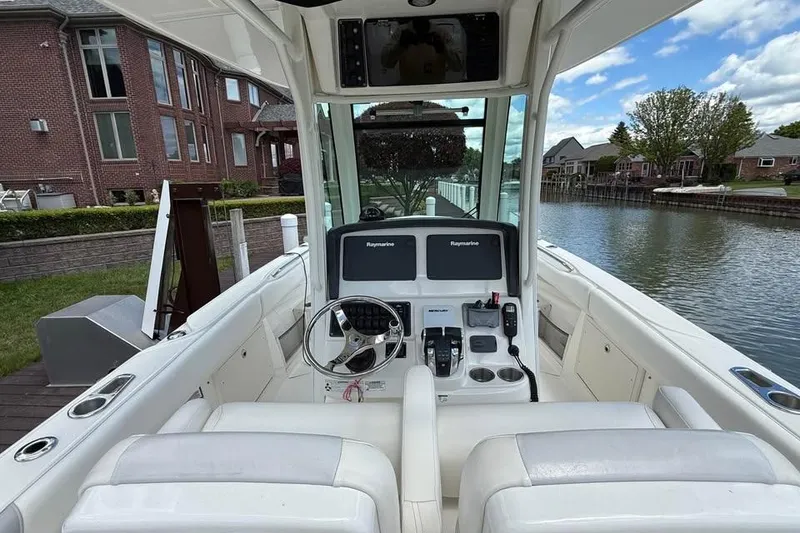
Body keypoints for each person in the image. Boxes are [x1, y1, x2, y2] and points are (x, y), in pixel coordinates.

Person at [380, 19, 462, 84]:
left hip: (436, 88)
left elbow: (458, 66)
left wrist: (443, 49)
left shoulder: (441, 33)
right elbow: (385, 63)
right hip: (408, 87)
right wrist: (400, 45)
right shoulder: (401, 32)